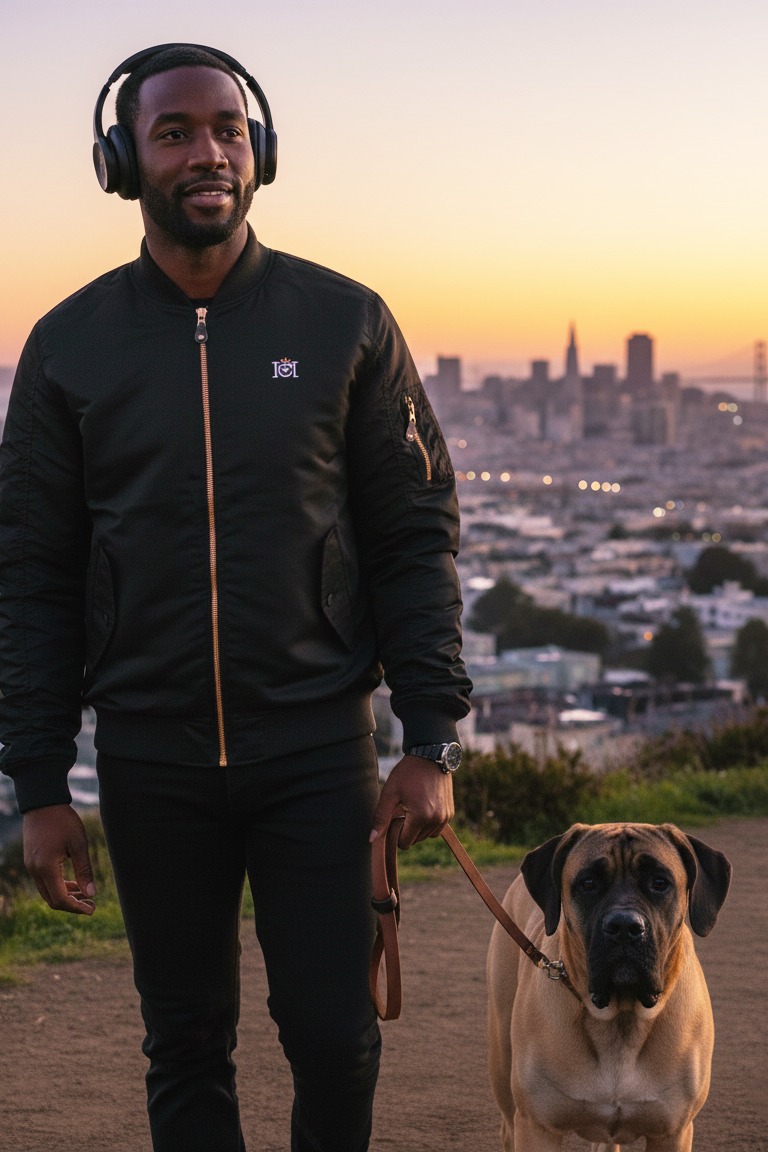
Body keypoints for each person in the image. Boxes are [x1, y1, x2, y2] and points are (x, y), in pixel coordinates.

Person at [0, 44, 470, 1152]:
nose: (209, 151)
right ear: (125, 161)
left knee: (337, 1033)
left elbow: (413, 535)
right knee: (185, 1041)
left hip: (316, 750)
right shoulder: (69, 346)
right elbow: (32, 574)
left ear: (260, 151)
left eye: (228, 128)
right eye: (175, 132)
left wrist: (433, 736)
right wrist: (37, 784)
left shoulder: (343, 321)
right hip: (152, 758)